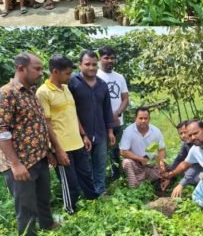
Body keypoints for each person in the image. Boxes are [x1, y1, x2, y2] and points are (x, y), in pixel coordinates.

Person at [0, 52, 64, 236]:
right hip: (21, 163)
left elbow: (39, 124)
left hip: (39, 157)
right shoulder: (6, 94)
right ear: (21, 68)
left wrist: (48, 151)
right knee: (26, 207)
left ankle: (47, 224)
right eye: (37, 69)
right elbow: (1, 132)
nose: (41, 73)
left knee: (43, 198)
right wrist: (15, 164)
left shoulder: (31, 92)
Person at [36, 54, 99, 214]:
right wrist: (57, 150)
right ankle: (71, 212)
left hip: (77, 142)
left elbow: (73, 113)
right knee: (70, 184)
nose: (70, 76)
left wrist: (83, 135)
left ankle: (95, 206)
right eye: (67, 73)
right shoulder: (43, 93)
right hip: (62, 147)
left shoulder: (66, 88)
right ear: (55, 71)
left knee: (86, 176)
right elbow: (46, 124)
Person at [69, 50, 116, 195]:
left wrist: (110, 131)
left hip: (100, 132)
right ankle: (86, 194)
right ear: (80, 65)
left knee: (100, 164)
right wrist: (82, 133)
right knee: (83, 166)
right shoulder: (72, 83)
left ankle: (99, 192)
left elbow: (107, 109)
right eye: (87, 64)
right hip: (80, 134)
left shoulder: (102, 85)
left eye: (94, 64)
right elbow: (70, 111)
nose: (91, 68)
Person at [96, 46, 129, 182]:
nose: (110, 60)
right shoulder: (96, 76)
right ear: (100, 59)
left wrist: (118, 113)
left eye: (112, 58)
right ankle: (101, 179)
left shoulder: (119, 77)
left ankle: (116, 177)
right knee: (101, 151)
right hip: (101, 123)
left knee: (115, 150)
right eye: (106, 58)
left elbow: (125, 98)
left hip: (118, 121)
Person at [119, 107, 167, 189]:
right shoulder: (129, 131)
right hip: (135, 164)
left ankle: (143, 181)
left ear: (149, 119)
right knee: (126, 163)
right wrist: (139, 158)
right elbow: (123, 151)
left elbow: (161, 149)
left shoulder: (156, 131)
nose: (143, 121)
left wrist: (161, 163)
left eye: (146, 118)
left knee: (165, 170)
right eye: (140, 118)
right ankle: (133, 188)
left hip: (150, 164)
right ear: (135, 118)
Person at [169, 120, 203, 199]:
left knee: (196, 179)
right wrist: (169, 173)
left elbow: (197, 165)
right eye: (181, 133)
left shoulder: (198, 143)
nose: (183, 136)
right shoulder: (186, 143)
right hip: (196, 167)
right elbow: (179, 158)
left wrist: (182, 183)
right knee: (177, 168)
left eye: (185, 132)